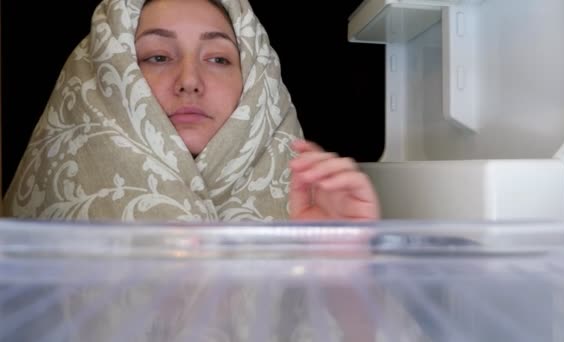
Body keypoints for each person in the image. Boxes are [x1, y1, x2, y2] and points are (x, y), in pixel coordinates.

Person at [4, 0, 379, 222]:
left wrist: (344, 277)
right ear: (106, 79)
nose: (189, 80)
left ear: (255, 84)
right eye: (157, 56)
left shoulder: (318, 210)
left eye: (218, 58)